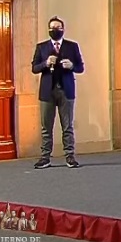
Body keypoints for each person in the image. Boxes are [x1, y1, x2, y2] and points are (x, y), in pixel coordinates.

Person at [31, 16, 84, 169]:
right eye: (53, 28)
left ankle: (70, 156)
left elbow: (80, 67)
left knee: (67, 126)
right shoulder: (42, 47)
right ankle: (45, 157)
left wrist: (72, 66)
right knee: (46, 127)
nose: (55, 30)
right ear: (49, 30)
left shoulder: (72, 46)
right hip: (47, 92)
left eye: (58, 28)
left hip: (66, 91)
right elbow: (34, 68)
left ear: (63, 29)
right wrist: (46, 63)